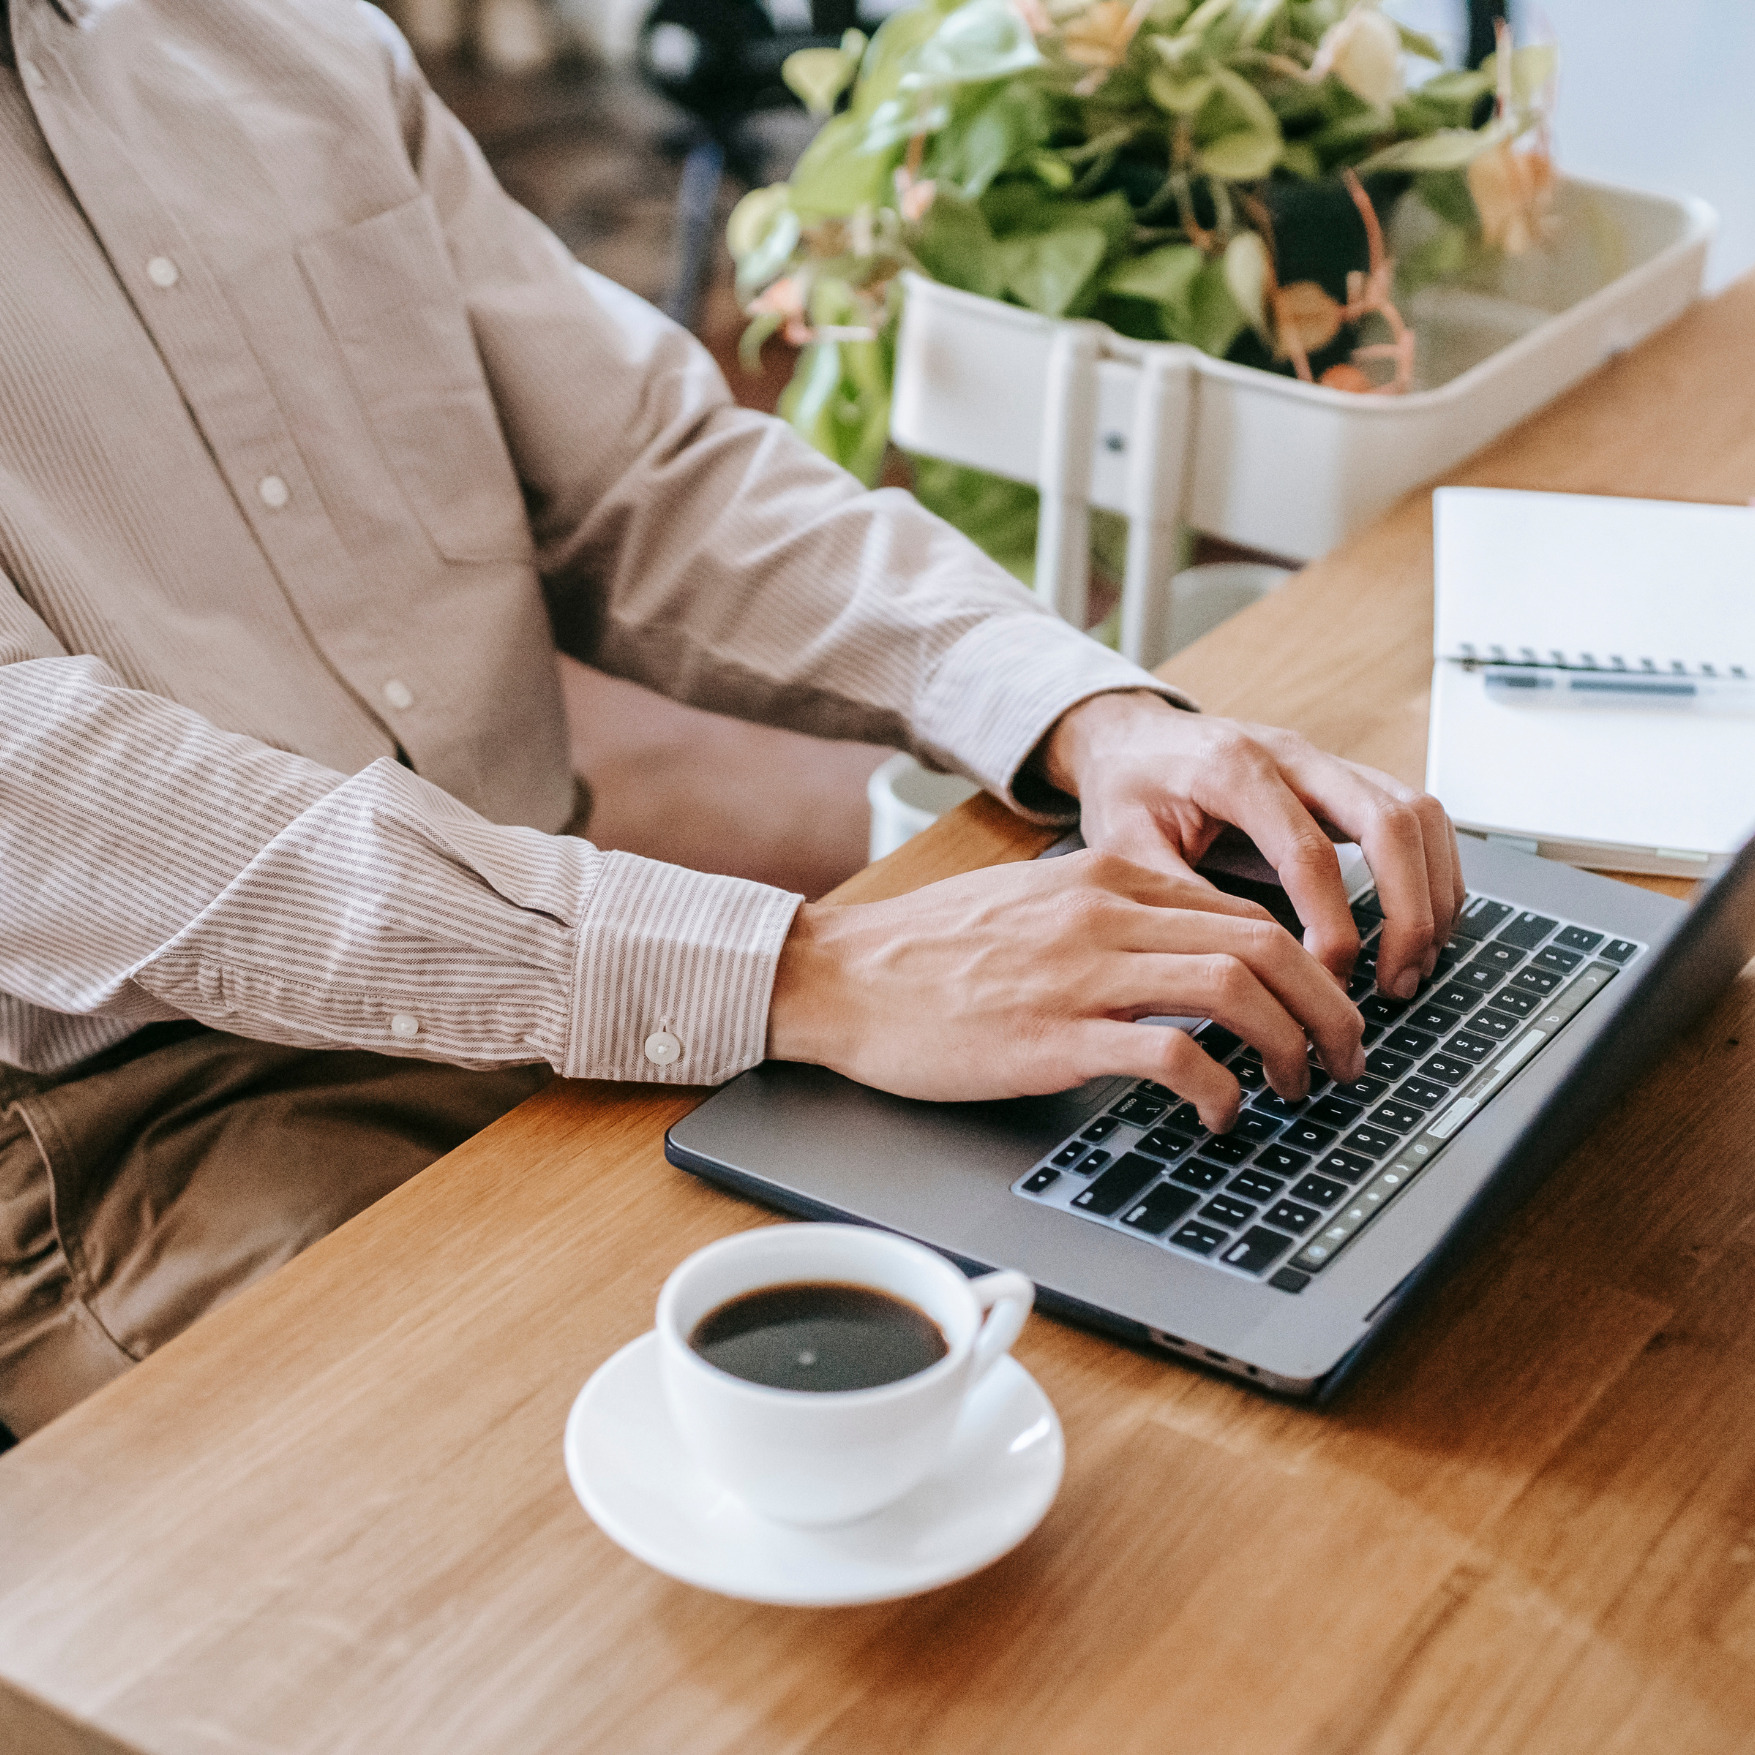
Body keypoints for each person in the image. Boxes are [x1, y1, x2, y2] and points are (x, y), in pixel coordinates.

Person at [0, 0, 1461, 1442]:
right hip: (153, 1125)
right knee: (606, 1505)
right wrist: (800, 970)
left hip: (560, 940)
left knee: (1101, 1325)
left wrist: (1084, 708)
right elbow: (85, 818)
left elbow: (650, 473)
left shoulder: (286, 38)